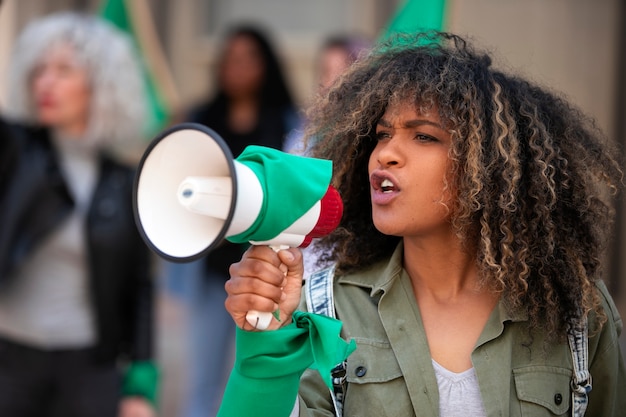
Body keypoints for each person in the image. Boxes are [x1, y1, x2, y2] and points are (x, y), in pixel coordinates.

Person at [219, 31, 626, 416]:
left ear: (490, 167)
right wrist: (265, 351)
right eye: (381, 135)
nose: (386, 154)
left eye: (424, 137)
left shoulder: (578, 315)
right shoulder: (327, 308)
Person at [0, 12, 157, 417]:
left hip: (89, 368)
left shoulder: (124, 182)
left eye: (64, 70)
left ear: (100, 85)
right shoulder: (14, 152)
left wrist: (140, 384)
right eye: (39, 70)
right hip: (10, 361)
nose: (46, 82)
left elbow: (139, 287)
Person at [161, 23, 297, 417]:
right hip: (212, 268)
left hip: (267, 273)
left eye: (247, 58)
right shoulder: (198, 120)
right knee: (201, 376)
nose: (236, 67)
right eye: (230, 58)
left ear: (265, 66)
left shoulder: (288, 125)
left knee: (253, 372)